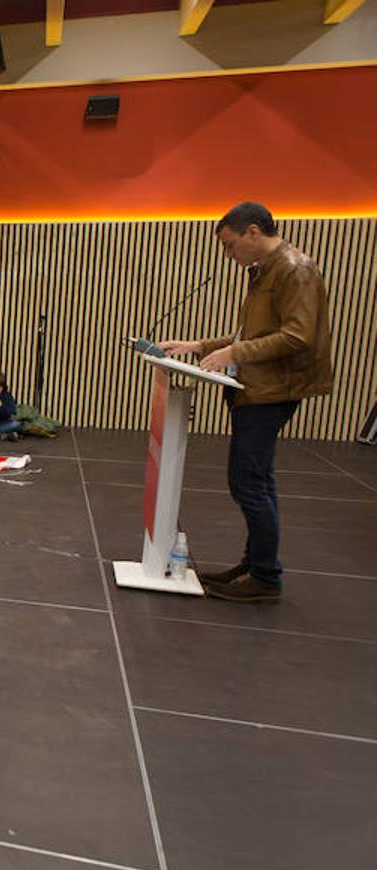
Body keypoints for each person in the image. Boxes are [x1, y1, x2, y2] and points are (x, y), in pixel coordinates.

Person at [158, 201, 333, 603]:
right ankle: (254, 564)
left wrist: (234, 356)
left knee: (249, 483)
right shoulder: (266, 272)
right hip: (258, 386)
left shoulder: (294, 269)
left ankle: (266, 576)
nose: (229, 255)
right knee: (255, 480)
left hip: (272, 389)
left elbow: (298, 336)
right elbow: (248, 335)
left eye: (230, 245)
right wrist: (198, 345)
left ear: (254, 232)